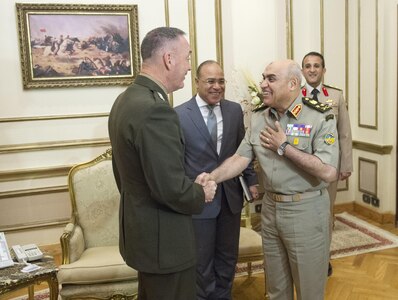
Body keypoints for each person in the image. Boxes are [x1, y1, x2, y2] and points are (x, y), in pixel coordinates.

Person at [198, 59, 339, 300]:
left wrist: (284, 147)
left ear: (293, 84)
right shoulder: (260, 117)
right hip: (271, 211)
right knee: (275, 291)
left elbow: (328, 171)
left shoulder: (319, 116)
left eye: (271, 79)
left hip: (306, 210)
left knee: (309, 291)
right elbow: (240, 158)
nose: (263, 84)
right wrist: (211, 177)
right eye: (263, 78)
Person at [108, 27, 217, 300]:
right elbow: (170, 188)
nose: (189, 67)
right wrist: (200, 192)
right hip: (165, 244)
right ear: (169, 59)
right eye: (187, 58)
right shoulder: (156, 110)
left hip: (143, 235)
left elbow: (127, 176)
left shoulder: (125, 100)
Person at [175, 60, 258, 300]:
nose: (217, 86)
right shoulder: (179, 114)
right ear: (197, 82)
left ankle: (223, 296)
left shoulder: (233, 110)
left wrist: (251, 180)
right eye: (210, 81)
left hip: (230, 198)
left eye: (221, 81)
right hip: (199, 201)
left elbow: (244, 149)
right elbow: (177, 161)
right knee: (201, 261)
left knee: (227, 257)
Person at [301, 51, 353, 276]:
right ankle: (303, 257)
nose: (312, 69)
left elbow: (344, 134)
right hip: (300, 167)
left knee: (325, 214)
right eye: (308, 66)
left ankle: (324, 258)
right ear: (302, 71)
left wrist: (346, 165)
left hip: (328, 169)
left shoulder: (335, 96)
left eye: (316, 66)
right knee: (302, 214)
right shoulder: (294, 94)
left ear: (323, 70)